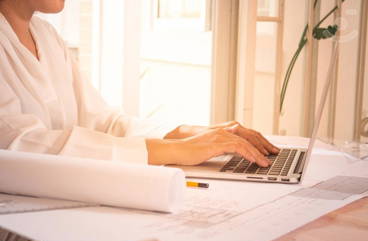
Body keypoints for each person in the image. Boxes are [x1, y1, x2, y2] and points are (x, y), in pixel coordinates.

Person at [0, 0, 279, 168]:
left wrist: (193, 134)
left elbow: (104, 123)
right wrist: (179, 151)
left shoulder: (47, 37)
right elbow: (20, 144)